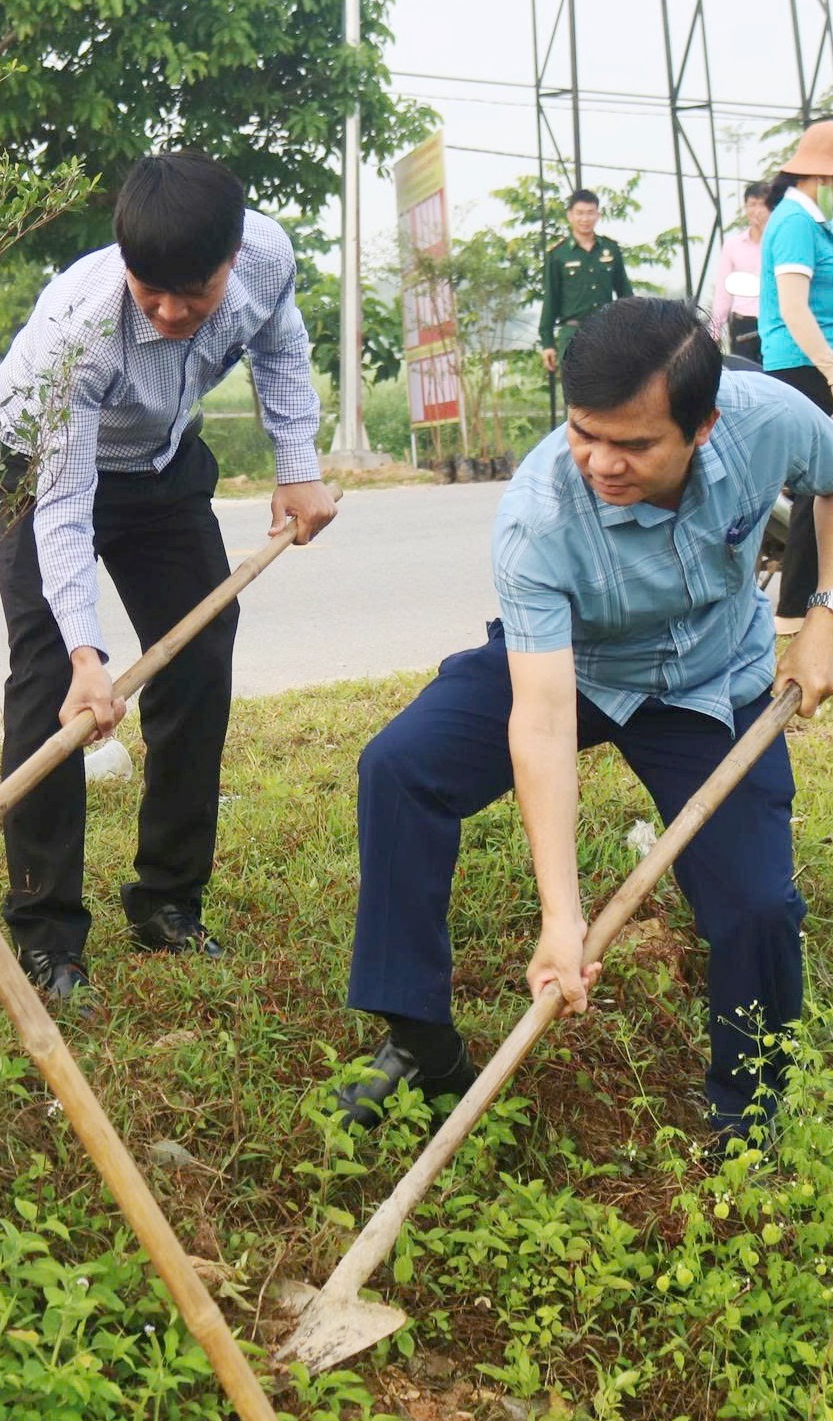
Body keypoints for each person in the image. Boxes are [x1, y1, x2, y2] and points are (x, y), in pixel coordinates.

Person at [333, 298, 833, 1151]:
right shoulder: (539, 514)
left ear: (703, 426)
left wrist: (822, 611)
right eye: (582, 432)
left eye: (634, 445)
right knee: (401, 766)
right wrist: (561, 917)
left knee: (756, 905)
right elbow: (542, 718)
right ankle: (420, 1039)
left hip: (714, 682)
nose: (602, 461)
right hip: (578, 668)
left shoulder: (772, 420)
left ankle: (750, 1111)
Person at [0, 151, 337, 1005]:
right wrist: (86, 656)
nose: (173, 313)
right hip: (42, 464)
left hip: (161, 460)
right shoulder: (81, 327)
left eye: (195, 295)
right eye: (152, 293)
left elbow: (281, 346)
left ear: (232, 257)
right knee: (46, 681)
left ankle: (169, 899)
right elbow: (63, 507)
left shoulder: (269, 256)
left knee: (201, 646)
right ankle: (48, 931)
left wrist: (298, 464)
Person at [757, 122, 833, 632]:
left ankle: (806, 602)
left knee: (824, 485)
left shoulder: (811, 222)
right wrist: (829, 367)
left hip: (816, 360)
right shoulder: (794, 224)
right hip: (803, 362)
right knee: (819, 484)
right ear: (820, 178)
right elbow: (793, 307)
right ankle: (794, 609)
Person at [538, 190, 633, 375]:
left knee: (610, 393)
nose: (585, 218)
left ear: (598, 215)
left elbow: (625, 293)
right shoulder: (558, 254)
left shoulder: (610, 249)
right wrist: (547, 342)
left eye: (590, 213)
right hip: (573, 335)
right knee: (576, 398)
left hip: (606, 333)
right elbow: (551, 298)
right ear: (570, 216)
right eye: (580, 213)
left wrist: (632, 330)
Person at [710, 181, 770, 363]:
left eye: (763, 204)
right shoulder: (733, 245)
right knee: (745, 371)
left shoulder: (778, 243)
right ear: (745, 208)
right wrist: (714, 330)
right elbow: (723, 291)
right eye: (752, 205)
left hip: (772, 320)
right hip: (743, 322)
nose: (757, 210)